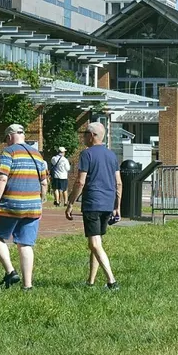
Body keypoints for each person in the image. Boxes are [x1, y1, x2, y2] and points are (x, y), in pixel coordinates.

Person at [0, 122, 48, 290]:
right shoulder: (37, 155)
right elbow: (44, 183)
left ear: (9, 137)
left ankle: (10, 271)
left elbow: (2, 178)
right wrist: (41, 202)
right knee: (25, 244)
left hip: (11, 204)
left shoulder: (9, 152)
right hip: (33, 206)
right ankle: (27, 285)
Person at [66, 122, 121, 290]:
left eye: (84, 134)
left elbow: (80, 181)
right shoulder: (112, 156)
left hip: (92, 203)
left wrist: (70, 203)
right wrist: (117, 206)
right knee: (96, 242)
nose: (83, 137)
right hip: (107, 203)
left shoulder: (86, 154)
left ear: (92, 136)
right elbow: (118, 183)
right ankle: (90, 281)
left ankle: (111, 281)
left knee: (95, 244)